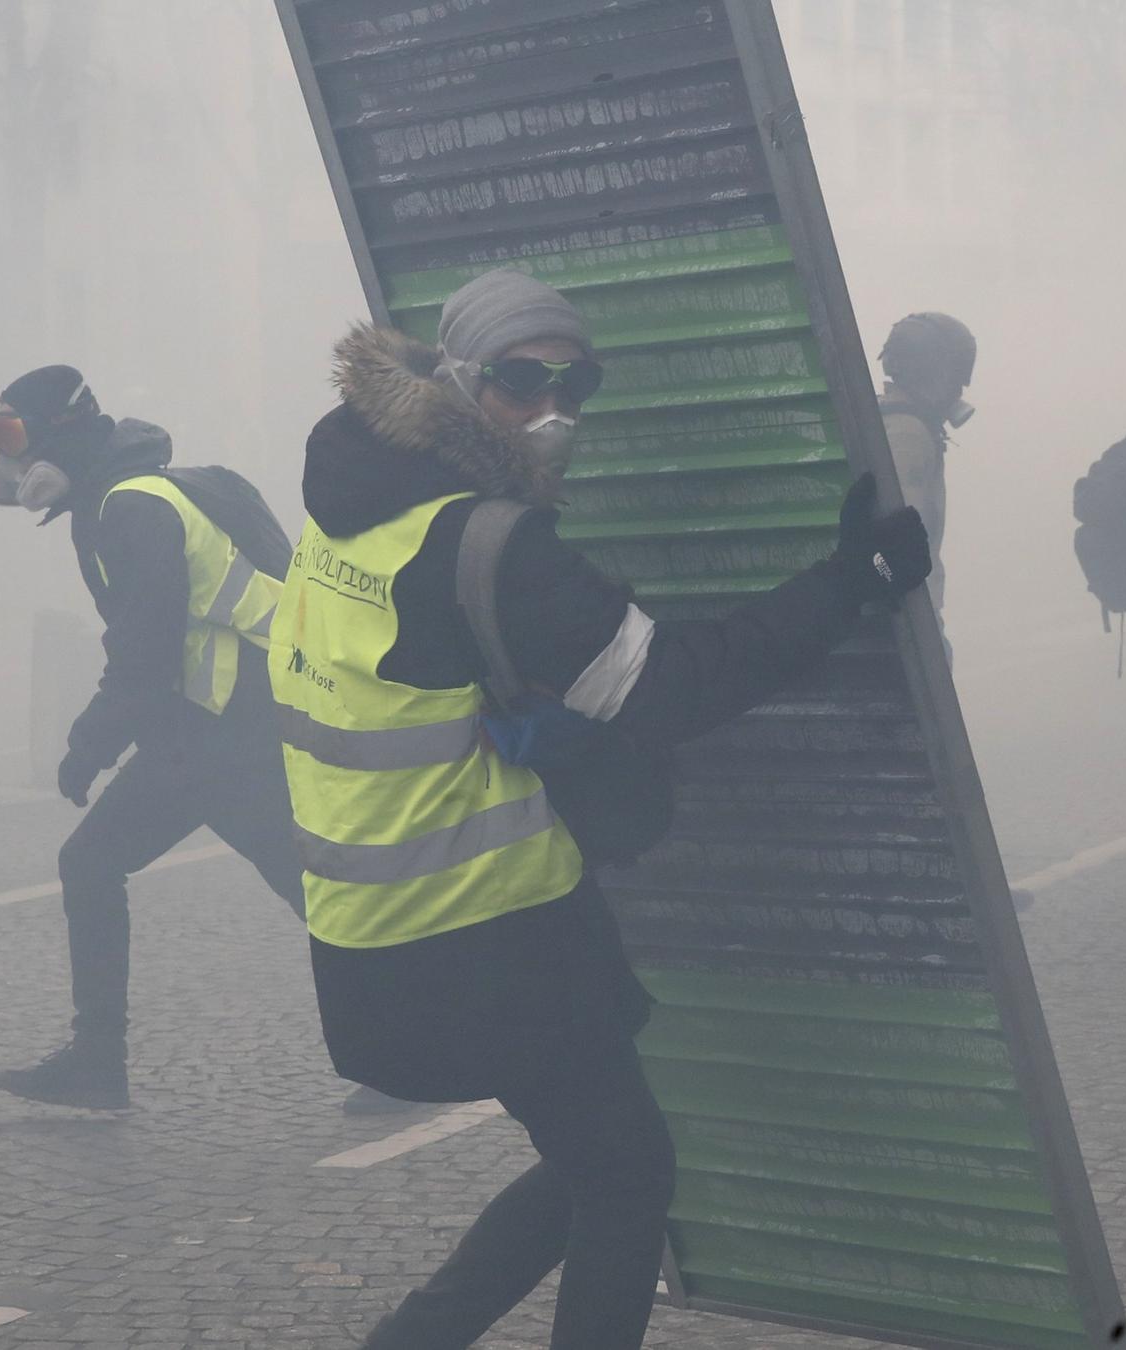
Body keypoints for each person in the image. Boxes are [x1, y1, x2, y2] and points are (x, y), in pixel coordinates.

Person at [268, 269, 930, 1350]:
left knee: (598, 1163)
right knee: (626, 1174)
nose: (553, 407)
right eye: (524, 379)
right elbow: (675, 684)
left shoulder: (345, 513)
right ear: (461, 377)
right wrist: (842, 584)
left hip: (365, 943)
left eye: (578, 380)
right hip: (490, 938)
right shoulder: (489, 545)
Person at [0, 365, 326, 1111]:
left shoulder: (131, 509)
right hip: (226, 720)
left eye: (15, 436)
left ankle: (99, 1064)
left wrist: (88, 746)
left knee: (94, 860)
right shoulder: (125, 495)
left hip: (223, 725)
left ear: (61, 435)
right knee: (310, 885)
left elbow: (144, 651)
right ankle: (405, 1039)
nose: (9, 461)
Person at [877, 312, 977, 621]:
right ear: (934, 373)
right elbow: (899, 540)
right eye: (955, 378)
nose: (958, 391)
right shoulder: (909, 435)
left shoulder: (885, 419)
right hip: (912, 612)